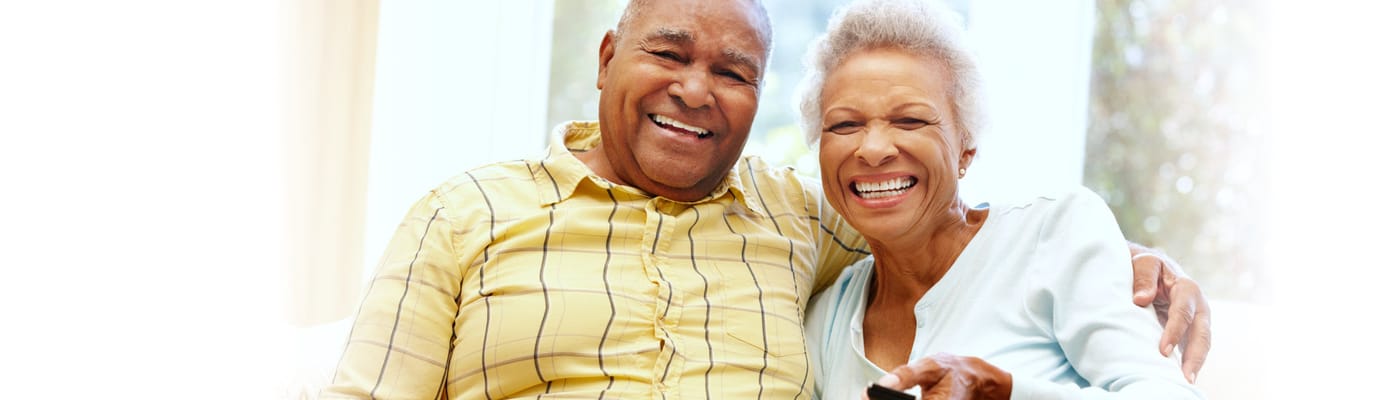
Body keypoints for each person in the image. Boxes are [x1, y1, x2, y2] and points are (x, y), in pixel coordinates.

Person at [322, 0, 1210, 398]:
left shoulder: (794, 216)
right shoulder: (465, 213)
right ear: (604, 60)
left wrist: (1124, 261)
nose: (697, 90)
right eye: (668, 54)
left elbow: (931, 215)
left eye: (734, 71)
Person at [798, 0, 1206, 398]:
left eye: (910, 120)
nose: (872, 149)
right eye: (845, 124)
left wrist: (1007, 392)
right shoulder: (826, 318)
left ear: (966, 147)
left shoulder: (1054, 235)